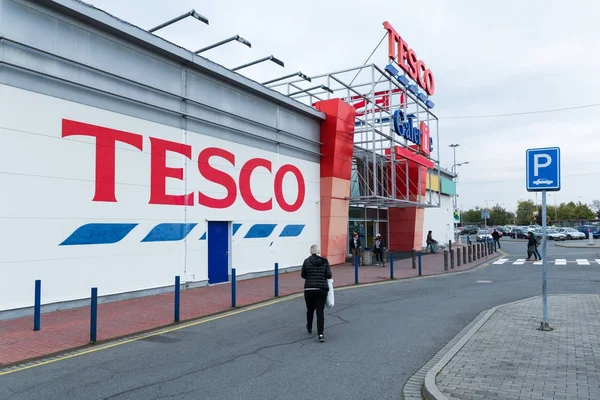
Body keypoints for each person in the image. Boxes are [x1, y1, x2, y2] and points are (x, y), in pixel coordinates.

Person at [301, 244, 332, 342]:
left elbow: (303, 275)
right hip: (321, 289)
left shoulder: (306, 261)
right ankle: (321, 334)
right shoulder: (325, 261)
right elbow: (329, 275)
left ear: (311, 252)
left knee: (310, 310)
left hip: (309, 289)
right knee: (320, 311)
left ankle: (309, 327)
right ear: (318, 252)